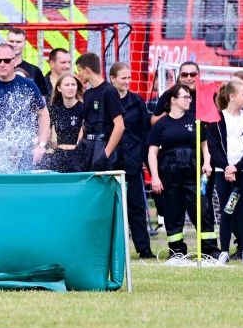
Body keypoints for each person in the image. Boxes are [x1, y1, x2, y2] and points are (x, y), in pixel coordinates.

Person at [146, 83, 215, 257]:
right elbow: (152, 152)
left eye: (189, 97)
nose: (188, 100)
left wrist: (207, 163)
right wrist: (155, 177)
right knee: (172, 213)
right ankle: (176, 251)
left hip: (192, 173)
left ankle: (209, 250)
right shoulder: (161, 125)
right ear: (173, 100)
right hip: (169, 174)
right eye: (185, 97)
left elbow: (205, 146)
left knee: (202, 211)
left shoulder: (195, 120)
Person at [204, 77, 243, 263]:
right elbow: (213, 148)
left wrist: (237, 167)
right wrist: (227, 167)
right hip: (224, 173)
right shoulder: (217, 120)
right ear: (232, 96)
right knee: (226, 210)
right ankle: (224, 251)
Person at [0, 43, 48, 170]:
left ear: (15, 62)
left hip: (21, 153)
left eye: (6, 60)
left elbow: (43, 113)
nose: (2, 64)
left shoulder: (28, 85)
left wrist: (41, 144)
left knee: (20, 187)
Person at [110, 62, 154, 258]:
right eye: (123, 78)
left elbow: (145, 132)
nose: (127, 81)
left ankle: (144, 249)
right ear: (113, 79)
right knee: (111, 211)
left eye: (129, 77)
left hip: (133, 164)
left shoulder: (137, 102)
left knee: (136, 209)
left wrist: (143, 158)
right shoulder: (106, 100)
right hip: (110, 164)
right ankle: (112, 251)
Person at [75, 52, 124, 171]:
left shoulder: (109, 91)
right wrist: (79, 144)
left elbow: (120, 126)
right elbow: (84, 124)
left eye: (79, 70)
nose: (78, 74)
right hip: (87, 147)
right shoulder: (87, 94)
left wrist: (106, 154)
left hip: (102, 145)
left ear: (87, 70)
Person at [43, 73, 85, 173]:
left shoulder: (83, 108)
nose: (71, 88)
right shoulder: (53, 109)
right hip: (58, 155)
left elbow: (84, 133)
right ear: (59, 88)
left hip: (77, 156)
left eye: (73, 84)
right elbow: (46, 131)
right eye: (67, 85)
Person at [5, 28, 48, 97]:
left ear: (24, 43)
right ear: (6, 42)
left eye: (18, 42)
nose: (14, 44)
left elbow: (42, 101)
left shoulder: (35, 71)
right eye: (11, 41)